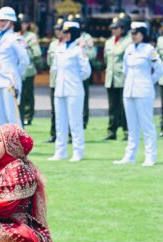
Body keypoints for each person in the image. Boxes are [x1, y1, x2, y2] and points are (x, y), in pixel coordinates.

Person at [114, 22, 163, 167]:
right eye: (132, 33)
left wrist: (149, 81)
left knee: (147, 125)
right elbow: (125, 70)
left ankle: (150, 156)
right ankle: (130, 156)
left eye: (137, 33)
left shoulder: (149, 50)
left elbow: (159, 70)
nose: (134, 36)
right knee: (132, 126)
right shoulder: (129, 49)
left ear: (143, 34)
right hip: (129, 91)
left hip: (144, 91)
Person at [48, 21, 91, 162]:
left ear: (73, 34)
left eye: (67, 32)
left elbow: (86, 71)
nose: (64, 34)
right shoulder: (59, 48)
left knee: (75, 122)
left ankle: (78, 151)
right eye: (63, 32)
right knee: (60, 122)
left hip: (74, 89)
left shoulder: (79, 50)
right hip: (60, 89)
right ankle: (60, 151)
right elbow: (54, 68)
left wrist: (74, 79)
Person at [0, 7, 29, 132]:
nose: (0, 23)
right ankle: (1, 148)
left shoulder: (15, 39)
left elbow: (24, 61)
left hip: (10, 81)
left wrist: (15, 74)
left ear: (11, 22)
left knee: (13, 116)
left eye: (3, 20)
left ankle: (18, 148)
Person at [103, 17, 131, 141]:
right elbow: (106, 59)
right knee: (112, 106)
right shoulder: (108, 42)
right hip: (111, 78)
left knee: (125, 107)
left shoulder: (128, 42)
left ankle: (127, 130)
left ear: (122, 29)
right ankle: (111, 131)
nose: (113, 30)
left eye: (116, 28)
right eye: (112, 28)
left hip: (123, 78)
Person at [69, 14, 96, 129]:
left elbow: (93, 54)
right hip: (70, 73)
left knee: (83, 97)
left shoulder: (86, 37)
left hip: (81, 72)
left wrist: (83, 50)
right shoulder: (68, 38)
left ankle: (83, 120)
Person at [17, 13, 41, 126]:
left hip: (28, 68)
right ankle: (19, 115)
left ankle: (28, 115)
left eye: (25, 23)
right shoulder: (14, 35)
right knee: (17, 94)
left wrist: (27, 47)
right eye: (21, 23)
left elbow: (37, 53)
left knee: (27, 94)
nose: (23, 25)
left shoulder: (31, 36)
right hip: (16, 69)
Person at [45, 18, 64, 143]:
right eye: (56, 29)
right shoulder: (53, 44)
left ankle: (66, 134)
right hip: (54, 80)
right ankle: (54, 133)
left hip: (64, 81)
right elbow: (48, 62)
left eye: (60, 29)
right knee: (54, 109)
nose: (58, 32)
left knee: (64, 109)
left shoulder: (67, 44)